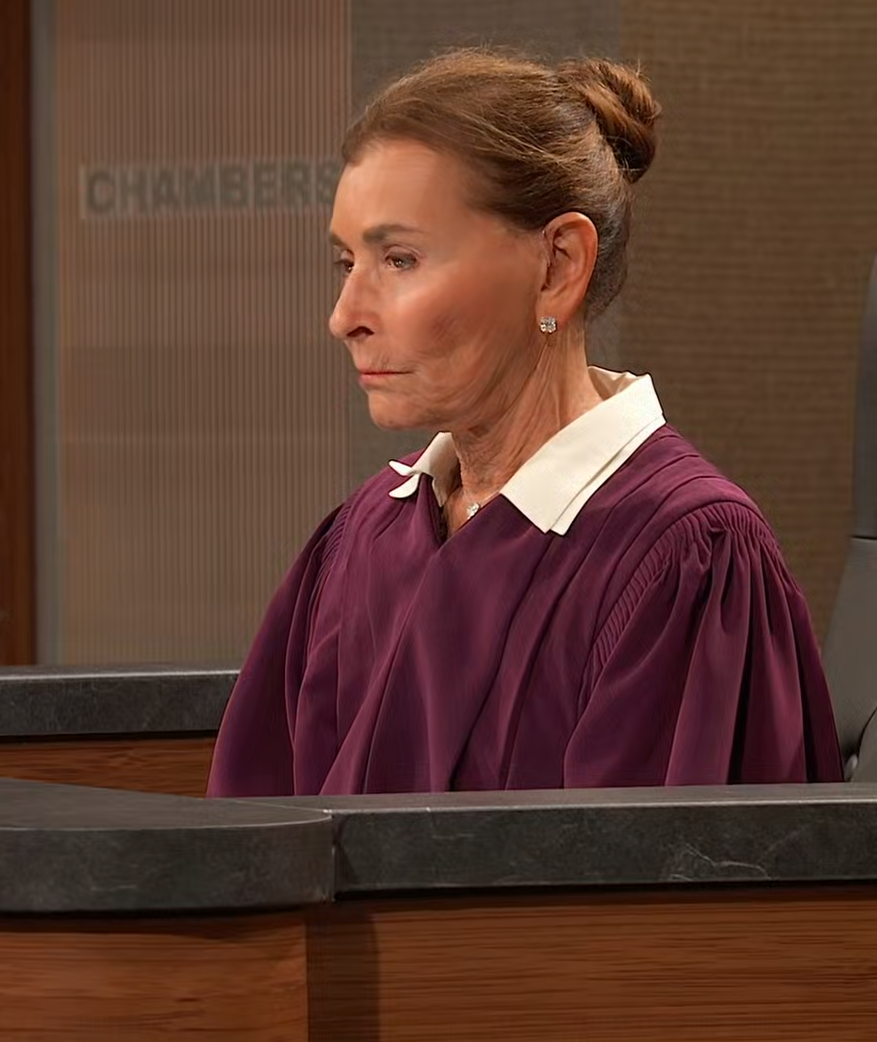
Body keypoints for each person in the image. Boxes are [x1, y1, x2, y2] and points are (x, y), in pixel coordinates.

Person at [207, 49, 839, 795]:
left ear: (558, 266)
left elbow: (670, 871)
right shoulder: (361, 540)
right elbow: (252, 835)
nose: (345, 317)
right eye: (348, 264)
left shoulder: (689, 562)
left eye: (400, 259)